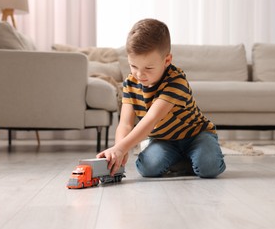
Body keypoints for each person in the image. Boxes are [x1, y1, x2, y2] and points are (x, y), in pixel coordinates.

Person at [96, 18, 226, 178]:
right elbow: (125, 123)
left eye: (148, 68)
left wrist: (122, 148)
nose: (139, 74)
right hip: (164, 140)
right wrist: (119, 149)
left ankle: (196, 156)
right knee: (147, 169)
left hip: (195, 135)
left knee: (209, 167)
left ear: (167, 60)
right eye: (133, 66)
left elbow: (151, 119)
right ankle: (182, 161)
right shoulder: (130, 83)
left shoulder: (176, 81)